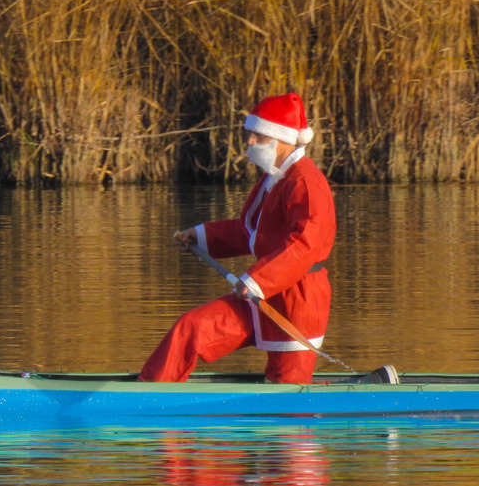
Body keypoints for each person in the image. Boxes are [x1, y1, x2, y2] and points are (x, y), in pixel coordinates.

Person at [139, 92, 336, 384]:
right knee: (192, 327)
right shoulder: (275, 178)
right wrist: (200, 236)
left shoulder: (305, 181)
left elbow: (305, 244)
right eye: (250, 135)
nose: (249, 142)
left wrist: (258, 279)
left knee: (289, 393)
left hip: (297, 301)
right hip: (263, 293)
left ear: (279, 138)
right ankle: (150, 392)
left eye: (256, 135)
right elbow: (250, 233)